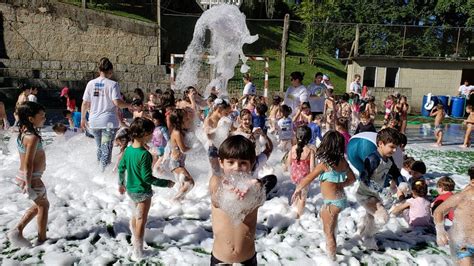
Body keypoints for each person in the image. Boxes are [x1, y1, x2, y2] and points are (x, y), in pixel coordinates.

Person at [208, 135, 276, 265]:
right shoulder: (217, 181)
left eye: (243, 163)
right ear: (221, 162)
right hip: (221, 259)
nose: (237, 167)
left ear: (252, 165)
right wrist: (229, 194)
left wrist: (252, 192)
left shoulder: (254, 186)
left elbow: (253, 204)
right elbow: (216, 200)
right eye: (231, 162)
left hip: (247, 259)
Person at [292, 130, 356, 260]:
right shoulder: (343, 162)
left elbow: (309, 177)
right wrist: (340, 185)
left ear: (326, 145)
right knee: (332, 226)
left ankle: (331, 258)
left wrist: (298, 188)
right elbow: (352, 179)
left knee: (328, 233)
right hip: (340, 200)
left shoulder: (325, 165)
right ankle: (332, 249)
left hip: (331, 203)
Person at [117, 118, 175, 260]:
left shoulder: (129, 150)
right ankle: (138, 250)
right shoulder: (145, 155)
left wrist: (121, 183)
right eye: (151, 133)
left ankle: (133, 237)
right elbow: (147, 178)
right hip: (142, 192)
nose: (152, 136)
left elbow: (121, 167)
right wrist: (166, 183)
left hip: (131, 189)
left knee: (135, 215)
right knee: (141, 219)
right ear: (144, 134)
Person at [8, 102, 49, 247]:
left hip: (25, 176)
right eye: (42, 116)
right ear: (31, 119)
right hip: (31, 177)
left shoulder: (23, 132)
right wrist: (28, 184)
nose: (44, 118)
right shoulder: (32, 137)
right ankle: (41, 239)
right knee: (44, 205)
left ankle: (18, 230)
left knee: (40, 203)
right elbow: (28, 163)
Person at [355, 128, 404, 250]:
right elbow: (363, 178)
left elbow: (396, 173)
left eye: (396, 148)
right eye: (391, 147)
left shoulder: (388, 159)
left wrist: (402, 183)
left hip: (375, 195)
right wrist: (381, 190)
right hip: (365, 194)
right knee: (383, 218)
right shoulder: (372, 159)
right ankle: (368, 237)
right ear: (380, 144)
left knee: (371, 216)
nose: (394, 150)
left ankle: (362, 229)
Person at [80, 57, 131, 171]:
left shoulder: (91, 83)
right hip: (108, 121)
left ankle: (98, 172)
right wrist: (129, 105)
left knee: (99, 148)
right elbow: (117, 102)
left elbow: (85, 103)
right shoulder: (113, 84)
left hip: (94, 121)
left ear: (99, 70)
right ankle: (103, 175)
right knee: (106, 149)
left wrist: (83, 118)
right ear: (110, 71)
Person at [434, 167, 474, 266]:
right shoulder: (461, 197)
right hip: (463, 243)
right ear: (473, 182)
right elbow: (439, 211)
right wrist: (440, 230)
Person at [287, 126, 315, 218]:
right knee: (303, 196)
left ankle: (293, 207)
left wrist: (292, 172)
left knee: (298, 189)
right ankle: (299, 216)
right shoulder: (310, 151)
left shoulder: (292, 148)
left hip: (294, 175)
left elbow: (288, 163)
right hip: (304, 177)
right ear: (309, 138)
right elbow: (312, 168)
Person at [168, 109, 195, 201]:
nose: (188, 118)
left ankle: (178, 202)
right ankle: (174, 200)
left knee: (183, 185)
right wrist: (195, 148)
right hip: (175, 164)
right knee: (190, 182)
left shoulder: (181, 131)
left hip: (179, 163)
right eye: (186, 117)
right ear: (180, 120)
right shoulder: (177, 133)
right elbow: (183, 149)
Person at [204, 99, 232, 175]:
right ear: (219, 109)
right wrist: (219, 128)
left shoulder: (222, 120)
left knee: (224, 171)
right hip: (212, 148)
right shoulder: (209, 120)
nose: (227, 115)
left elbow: (229, 133)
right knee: (216, 172)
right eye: (226, 113)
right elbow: (208, 134)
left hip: (222, 147)